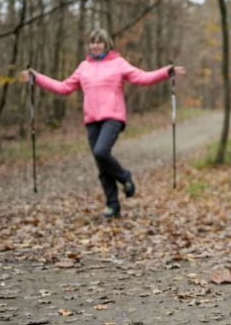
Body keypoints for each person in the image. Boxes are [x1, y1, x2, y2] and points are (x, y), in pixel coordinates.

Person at [19, 28, 187, 219]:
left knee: (101, 152)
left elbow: (143, 77)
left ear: (107, 44)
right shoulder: (83, 67)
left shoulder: (118, 63)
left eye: (99, 42)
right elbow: (63, 87)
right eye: (92, 42)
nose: (95, 45)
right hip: (92, 120)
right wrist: (37, 78)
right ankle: (112, 205)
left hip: (113, 117)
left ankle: (125, 177)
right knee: (101, 164)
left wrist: (167, 72)